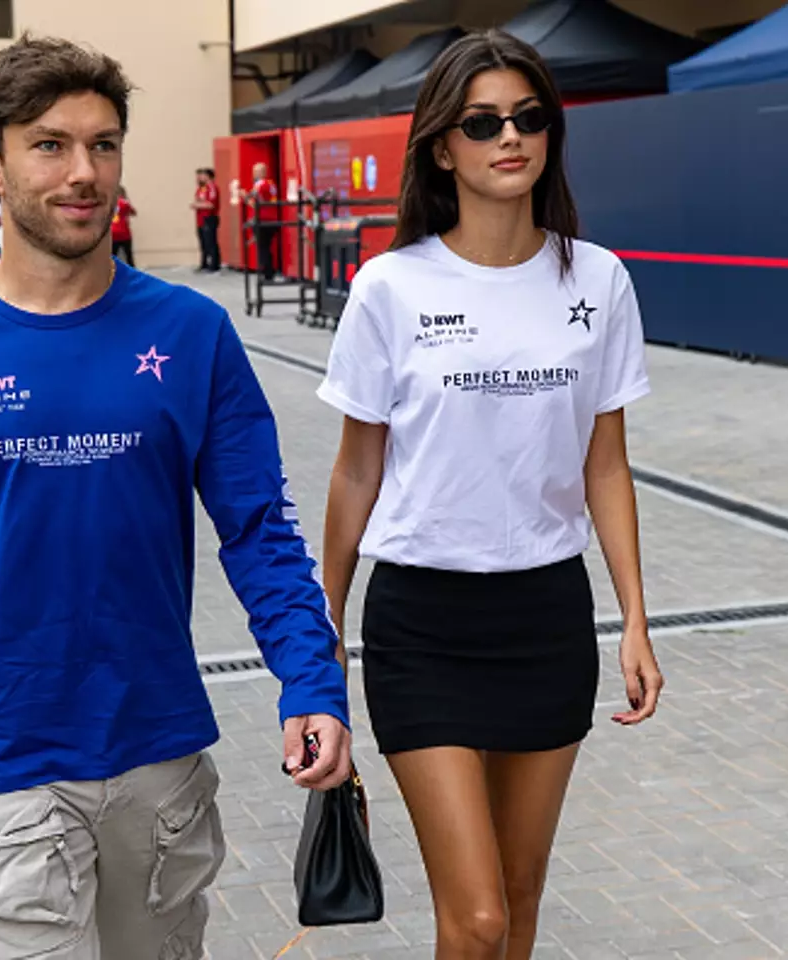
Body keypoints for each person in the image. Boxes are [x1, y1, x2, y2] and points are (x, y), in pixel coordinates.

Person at [0, 35, 351, 959]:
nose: (83, 171)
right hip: (1, 771)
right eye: (51, 145)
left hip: (159, 766)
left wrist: (312, 680)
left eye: (103, 145)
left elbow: (261, 530)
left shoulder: (191, 332)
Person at [317, 32, 663, 960]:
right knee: (474, 920)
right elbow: (356, 470)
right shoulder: (389, 288)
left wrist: (634, 617)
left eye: (529, 117)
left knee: (518, 897)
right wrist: (324, 625)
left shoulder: (599, 280)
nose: (510, 137)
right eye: (482, 123)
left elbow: (606, 466)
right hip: (422, 623)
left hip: (547, 616)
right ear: (442, 146)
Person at [240, 162, 279, 281]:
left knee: (263, 247)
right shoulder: (270, 184)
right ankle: (268, 270)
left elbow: (256, 203)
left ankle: (267, 272)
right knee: (265, 246)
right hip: (271, 218)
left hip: (263, 219)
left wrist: (244, 196)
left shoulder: (261, 185)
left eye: (256, 171)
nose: (253, 174)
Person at [191, 167, 220, 272]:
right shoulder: (202, 188)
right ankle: (204, 263)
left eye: (202, 175)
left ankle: (214, 265)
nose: (200, 178)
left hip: (209, 218)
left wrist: (199, 205)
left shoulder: (212, 187)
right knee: (203, 242)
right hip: (201, 218)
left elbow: (211, 204)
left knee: (211, 242)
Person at [110, 185, 135, 266]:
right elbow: (133, 212)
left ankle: (111, 274)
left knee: (112, 256)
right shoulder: (124, 203)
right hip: (124, 233)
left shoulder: (110, 203)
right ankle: (132, 274)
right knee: (128, 256)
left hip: (113, 233)